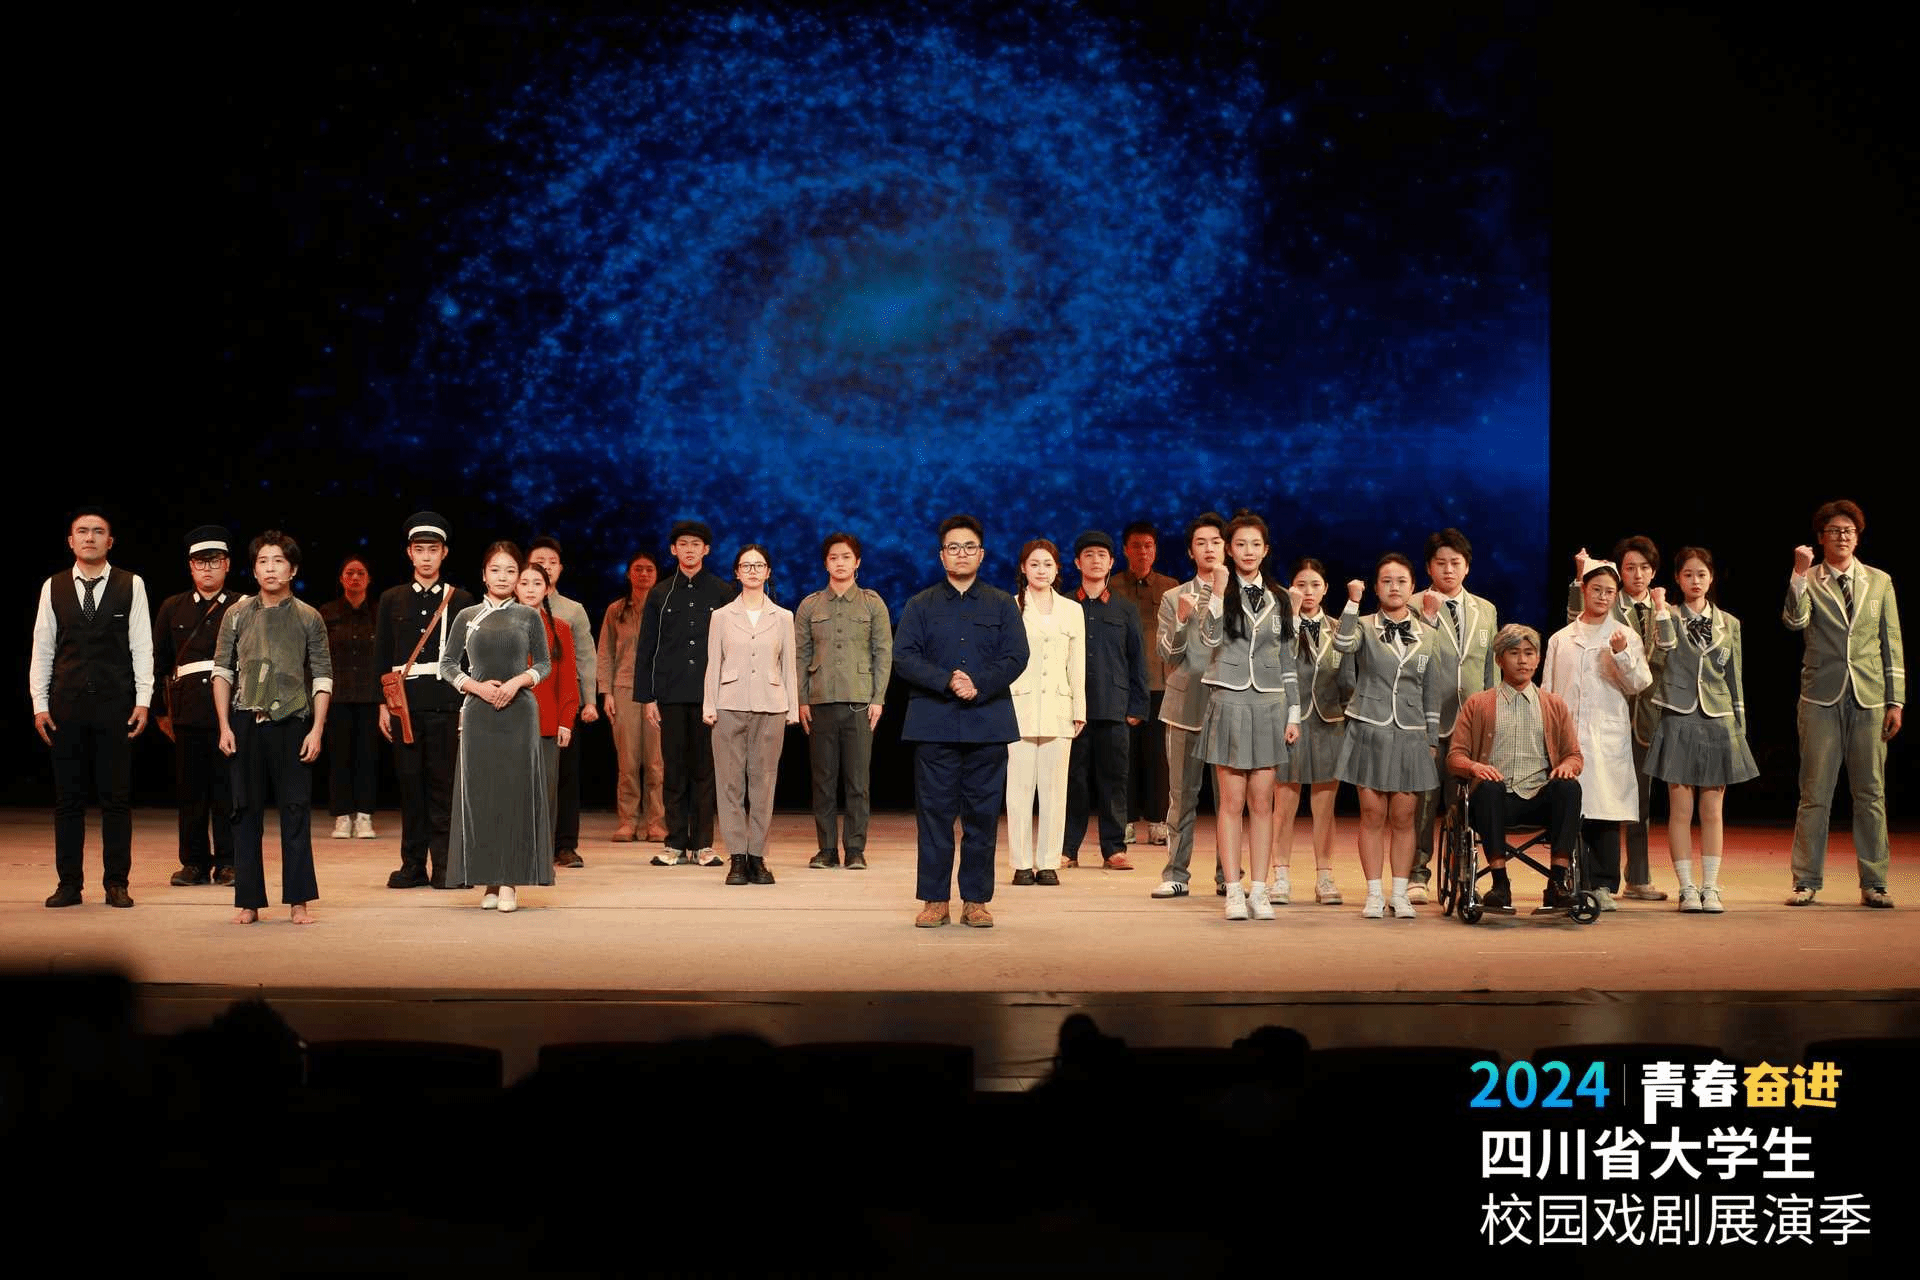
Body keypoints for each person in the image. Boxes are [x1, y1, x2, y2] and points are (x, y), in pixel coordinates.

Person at [893, 515, 1030, 928]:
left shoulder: (1002, 604)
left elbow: (1016, 656)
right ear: (941, 556)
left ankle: (976, 901)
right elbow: (904, 657)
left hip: (987, 724)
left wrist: (979, 684)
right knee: (934, 817)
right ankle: (935, 900)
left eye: (969, 547)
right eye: (953, 547)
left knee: (982, 818)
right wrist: (947, 680)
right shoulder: (920, 604)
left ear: (982, 554)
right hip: (933, 724)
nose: (961, 554)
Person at [31, 506, 153, 908]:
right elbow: (42, 648)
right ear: (71, 541)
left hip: (115, 705)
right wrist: (40, 704)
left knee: (116, 799)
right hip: (66, 706)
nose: (89, 537)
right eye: (82, 531)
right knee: (68, 801)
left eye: (98, 531)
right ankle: (69, 884)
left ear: (110, 541)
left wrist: (143, 700)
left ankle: (116, 883)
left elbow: (142, 646)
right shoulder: (53, 586)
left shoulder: (131, 584)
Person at [1784, 500, 1903, 908]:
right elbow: (1794, 621)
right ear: (1821, 537)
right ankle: (1806, 880)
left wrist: (1895, 700)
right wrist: (1798, 574)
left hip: (1869, 697)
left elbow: (1891, 642)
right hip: (1820, 696)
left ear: (1858, 536)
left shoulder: (1879, 581)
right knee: (1815, 791)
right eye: (1834, 530)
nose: (1842, 536)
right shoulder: (1809, 578)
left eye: (1849, 530)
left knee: (1871, 792)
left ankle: (1875, 881)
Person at [212, 531, 332, 925]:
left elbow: (322, 676)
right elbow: (222, 671)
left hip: (292, 722)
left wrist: (316, 729)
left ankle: (299, 900)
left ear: (292, 569)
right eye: (263, 561)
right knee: (244, 812)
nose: (270, 568)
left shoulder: (308, 616)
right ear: (253, 569)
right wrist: (224, 725)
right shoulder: (237, 613)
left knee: (295, 810)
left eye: (278, 561)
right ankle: (248, 901)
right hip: (245, 721)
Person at [1195, 512, 1301, 921]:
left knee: (1262, 801)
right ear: (1229, 549)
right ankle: (1233, 890)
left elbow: (1287, 659)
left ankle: (1259, 890)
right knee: (1231, 801)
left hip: (1270, 704)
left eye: (1255, 544)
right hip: (1230, 699)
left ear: (1266, 549)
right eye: (1240, 544)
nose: (1248, 551)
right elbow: (1208, 638)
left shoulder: (1281, 598)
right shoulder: (1218, 590)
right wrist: (1218, 592)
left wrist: (1294, 713)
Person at [1645, 548, 1758, 914]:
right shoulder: (1667, 615)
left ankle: (1710, 886)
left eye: (1701, 574)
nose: (1695, 581)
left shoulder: (1730, 623)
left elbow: (1735, 678)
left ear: (1711, 578)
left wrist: (1739, 726)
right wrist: (1660, 611)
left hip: (1718, 718)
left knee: (1712, 809)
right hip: (1678, 716)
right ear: (1678, 579)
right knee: (1680, 809)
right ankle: (1687, 888)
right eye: (1688, 575)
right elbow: (1658, 657)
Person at [442, 542, 552, 913]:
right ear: (484, 575)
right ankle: (488, 880)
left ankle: (509, 881)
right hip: (479, 713)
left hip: (519, 713)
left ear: (518, 577)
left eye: (510, 571)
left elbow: (544, 664)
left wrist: (517, 682)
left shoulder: (528, 616)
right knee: (482, 796)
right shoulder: (467, 615)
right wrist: (477, 688)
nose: (502, 577)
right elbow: (447, 664)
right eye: (495, 570)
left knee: (514, 795)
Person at [1332, 554, 1442, 920]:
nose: (1394, 587)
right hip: (1369, 727)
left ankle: (1400, 893)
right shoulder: (1363, 625)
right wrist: (1352, 601)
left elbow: (1431, 689)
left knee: (1404, 817)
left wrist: (1431, 738)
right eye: (1386, 581)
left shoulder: (1429, 634)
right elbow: (1342, 645)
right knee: (1372, 814)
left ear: (1413, 588)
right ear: (1376, 588)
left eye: (1401, 581)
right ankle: (1374, 893)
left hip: (1410, 733)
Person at [1446, 625, 1584, 914]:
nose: (1522, 660)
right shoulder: (1479, 703)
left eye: (1529, 653)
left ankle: (1557, 884)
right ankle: (1500, 884)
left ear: (1538, 659)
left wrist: (1567, 767)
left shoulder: (1554, 705)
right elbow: (1455, 757)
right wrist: (1475, 767)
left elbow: (1574, 756)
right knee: (1488, 787)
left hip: (1539, 799)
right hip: (1496, 801)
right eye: (1514, 653)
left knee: (1569, 787)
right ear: (1499, 659)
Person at [1543, 562, 1654, 912]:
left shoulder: (1625, 636)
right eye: (1596, 590)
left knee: (1605, 812)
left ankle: (1603, 885)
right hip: (1568, 739)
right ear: (1584, 590)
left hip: (1606, 737)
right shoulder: (1561, 639)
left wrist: (1621, 654)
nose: (1603, 597)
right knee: (1571, 810)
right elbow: (1547, 690)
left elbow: (1639, 683)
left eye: (1609, 592)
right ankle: (1571, 881)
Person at [375, 512, 474, 889]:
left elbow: (470, 657)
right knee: (409, 786)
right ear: (409, 553)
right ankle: (412, 864)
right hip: (405, 706)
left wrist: (466, 704)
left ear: (444, 552)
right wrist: (382, 705)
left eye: (433, 550)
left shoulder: (460, 599)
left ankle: (446, 866)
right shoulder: (391, 599)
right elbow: (382, 656)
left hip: (446, 702)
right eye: (420, 550)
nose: (427, 557)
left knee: (443, 788)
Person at [1567, 537, 1667, 900]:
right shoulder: (1606, 604)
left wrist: (1664, 611)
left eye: (1644, 568)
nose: (1637, 574)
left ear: (1653, 572)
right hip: (1604, 718)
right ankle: (1582, 875)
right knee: (1595, 799)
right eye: (1630, 568)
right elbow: (1574, 623)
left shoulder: (1664, 611)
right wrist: (1580, 576)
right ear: (1619, 572)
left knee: (1641, 801)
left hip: (1650, 715)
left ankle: (1638, 877)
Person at [633, 520, 736, 867]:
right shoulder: (660, 593)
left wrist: (727, 693)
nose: (689, 550)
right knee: (674, 770)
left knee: (705, 771)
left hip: (711, 695)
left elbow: (731, 647)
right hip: (671, 693)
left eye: (696, 544)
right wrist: (648, 697)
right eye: (683, 544)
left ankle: (703, 844)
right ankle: (675, 842)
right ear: (673, 550)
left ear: (706, 550)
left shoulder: (722, 591)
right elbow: (647, 648)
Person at [1409, 529, 1498, 904]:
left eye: (1455, 563)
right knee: (1424, 801)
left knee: (1464, 804)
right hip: (1426, 720)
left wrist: (1494, 716)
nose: (1448, 569)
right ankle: (1417, 873)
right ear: (1429, 567)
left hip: (1472, 723)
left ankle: (1464, 874)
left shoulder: (1485, 609)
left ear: (1467, 567)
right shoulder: (1413, 604)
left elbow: (1491, 668)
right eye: (1441, 563)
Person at [703, 545, 800, 886]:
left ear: (768, 572)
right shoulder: (721, 616)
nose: (753, 570)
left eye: (759, 565)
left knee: (763, 783)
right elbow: (714, 663)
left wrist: (791, 708)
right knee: (729, 783)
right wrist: (709, 705)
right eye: (747, 565)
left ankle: (757, 856)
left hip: (771, 705)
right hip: (729, 703)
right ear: (737, 572)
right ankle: (737, 858)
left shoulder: (783, 617)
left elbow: (788, 665)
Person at [794, 533, 892, 870]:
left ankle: (854, 849)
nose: (840, 563)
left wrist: (878, 698)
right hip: (820, 702)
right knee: (822, 781)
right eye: (834, 557)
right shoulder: (810, 605)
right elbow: (800, 655)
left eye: (846, 557)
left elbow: (883, 653)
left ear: (857, 562)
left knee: (857, 782)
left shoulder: (872, 603)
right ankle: (826, 849)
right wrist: (802, 699)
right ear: (825, 563)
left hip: (859, 703)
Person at [151, 524, 237, 887]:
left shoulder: (243, 605)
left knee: (229, 791)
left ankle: (230, 862)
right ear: (190, 566)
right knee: (191, 792)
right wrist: (160, 712)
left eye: (214, 561)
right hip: (187, 711)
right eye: (200, 562)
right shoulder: (172, 607)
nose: (207, 568)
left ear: (227, 564)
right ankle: (194, 863)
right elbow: (158, 663)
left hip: (231, 711)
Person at [1151, 513, 1228, 900]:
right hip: (1184, 707)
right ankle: (1176, 872)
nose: (1209, 548)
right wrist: (1181, 620)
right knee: (1182, 796)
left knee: (1231, 799)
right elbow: (1167, 653)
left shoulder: (1239, 596)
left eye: (1216, 541)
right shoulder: (1173, 596)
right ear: (1190, 551)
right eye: (1201, 542)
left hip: (1229, 706)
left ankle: (1229, 874)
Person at [1065, 530, 1149, 871]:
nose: (1096, 560)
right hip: (1072, 710)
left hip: (1114, 707)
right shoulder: (1065, 605)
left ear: (1112, 562)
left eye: (1102, 555)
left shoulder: (1124, 608)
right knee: (1072, 781)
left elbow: (1137, 659)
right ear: (1077, 563)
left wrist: (1138, 706)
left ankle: (1114, 849)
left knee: (1114, 781)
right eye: (1089, 555)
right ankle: (1067, 849)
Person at [1269, 557, 1350, 907]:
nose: (1308, 592)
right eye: (1301, 585)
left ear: (1326, 589)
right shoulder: (1280, 626)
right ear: (1291, 588)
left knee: (1325, 808)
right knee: (1283, 805)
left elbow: (1349, 678)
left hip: (1329, 723)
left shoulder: (1340, 628)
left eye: (1315, 585)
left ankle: (1325, 877)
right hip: (1289, 723)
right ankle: (1280, 877)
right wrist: (1288, 614)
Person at [1005, 540, 1084, 886]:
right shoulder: (1010, 607)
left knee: (1055, 790)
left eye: (1048, 564)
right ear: (1023, 568)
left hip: (1058, 707)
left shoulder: (1071, 610)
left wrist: (1079, 708)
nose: (1041, 570)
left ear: (1057, 569)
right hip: (1019, 706)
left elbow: (1077, 664)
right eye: (1034, 564)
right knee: (1019, 790)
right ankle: (1022, 863)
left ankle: (1049, 861)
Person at [527, 537, 598, 869]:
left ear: (561, 569)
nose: (546, 566)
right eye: (539, 561)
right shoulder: (512, 610)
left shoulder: (571, 611)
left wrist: (589, 701)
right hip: (523, 708)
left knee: (565, 777)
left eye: (552, 562)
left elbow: (585, 658)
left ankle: (565, 845)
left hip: (562, 706)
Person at [1111, 521, 1179, 844]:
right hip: (1122, 684)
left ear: (1156, 550)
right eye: (1136, 546)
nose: (1142, 551)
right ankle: (1123, 820)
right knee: (1123, 755)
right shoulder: (1112, 586)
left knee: (1158, 757)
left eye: (1148, 545)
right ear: (1125, 550)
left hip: (1159, 683)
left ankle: (1157, 820)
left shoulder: (1170, 587)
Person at [598, 552, 665, 842]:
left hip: (656, 691)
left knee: (656, 762)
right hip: (624, 688)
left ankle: (656, 822)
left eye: (649, 569)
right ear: (628, 574)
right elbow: (605, 652)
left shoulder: (664, 607)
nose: (643, 574)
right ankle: (628, 821)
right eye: (638, 569)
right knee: (627, 761)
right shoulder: (616, 610)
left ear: (656, 574)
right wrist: (606, 692)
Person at [518, 562, 579, 865]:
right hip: (505, 722)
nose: (530, 589)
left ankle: (541, 857)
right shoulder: (497, 625)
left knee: (545, 794)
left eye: (537, 584)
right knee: (510, 793)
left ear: (547, 589)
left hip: (546, 723)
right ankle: (512, 855)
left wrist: (566, 721)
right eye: (524, 583)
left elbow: (567, 681)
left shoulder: (560, 629)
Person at [319, 554, 380, 840]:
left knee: (368, 758)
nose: (355, 577)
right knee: (339, 757)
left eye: (360, 573)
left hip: (370, 696)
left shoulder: (379, 612)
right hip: (337, 697)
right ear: (341, 578)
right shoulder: (327, 613)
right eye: (349, 573)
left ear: (369, 578)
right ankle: (342, 816)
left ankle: (365, 816)